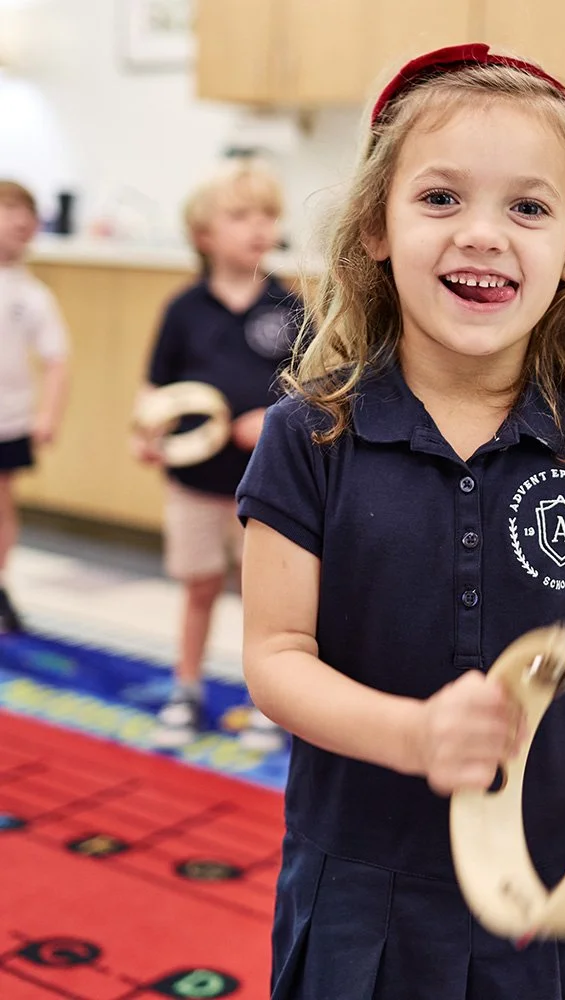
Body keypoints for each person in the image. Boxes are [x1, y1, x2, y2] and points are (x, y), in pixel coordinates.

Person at [236, 43, 565, 1000]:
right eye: (440, 198)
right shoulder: (306, 437)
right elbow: (276, 657)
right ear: (375, 230)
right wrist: (412, 736)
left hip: (550, 875)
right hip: (367, 882)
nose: (483, 233)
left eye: (527, 206)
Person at [132, 158, 301, 752]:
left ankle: (267, 701)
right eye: (240, 215)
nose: (259, 227)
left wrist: (274, 422)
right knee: (199, 588)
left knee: (267, 603)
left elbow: (311, 392)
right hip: (196, 482)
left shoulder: (291, 307)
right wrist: (145, 431)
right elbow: (156, 386)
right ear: (204, 235)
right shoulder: (184, 309)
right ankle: (186, 686)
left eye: (268, 215)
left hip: (269, 491)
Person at [0, 180, 70, 633]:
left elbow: (58, 359)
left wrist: (48, 415)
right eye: (10, 208)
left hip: (9, 421)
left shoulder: (33, 295)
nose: (22, 219)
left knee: (1, 504)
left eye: (29, 211)